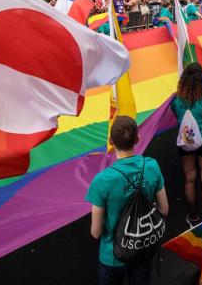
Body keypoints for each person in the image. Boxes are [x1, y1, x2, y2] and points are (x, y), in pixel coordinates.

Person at [87, 116, 168, 285]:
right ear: (138, 138)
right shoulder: (151, 166)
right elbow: (164, 209)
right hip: (143, 248)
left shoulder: (102, 180)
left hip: (112, 257)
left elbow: (96, 232)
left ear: (110, 141)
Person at [171, 62, 202, 226]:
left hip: (185, 142)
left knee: (189, 179)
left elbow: (178, 118)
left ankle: (194, 215)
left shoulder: (177, 101)